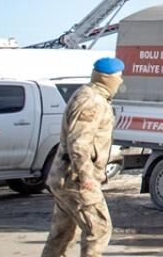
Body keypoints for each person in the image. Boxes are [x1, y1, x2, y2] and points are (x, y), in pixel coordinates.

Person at [41, 56, 126, 257]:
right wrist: (86, 177)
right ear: (107, 78)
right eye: (119, 77)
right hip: (75, 179)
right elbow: (79, 143)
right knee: (99, 229)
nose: (121, 81)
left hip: (65, 178)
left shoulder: (88, 94)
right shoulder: (92, 101)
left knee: (62, 235)